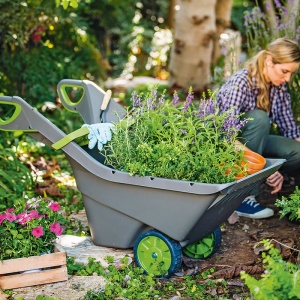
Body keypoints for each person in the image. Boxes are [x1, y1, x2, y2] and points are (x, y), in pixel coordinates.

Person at [217, 37, 300, 219]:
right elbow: (225, 135)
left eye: (291, 74)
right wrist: (266, 168)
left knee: (297, 151)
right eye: (284, 71)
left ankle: (294, 200)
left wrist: (270, 168)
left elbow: (292, 132)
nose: (287, 79)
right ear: (269, 61)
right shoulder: (241, 82)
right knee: (259, 118)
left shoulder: (278, 88)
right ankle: (240, 197)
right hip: (225, 148)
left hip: (252, 147)